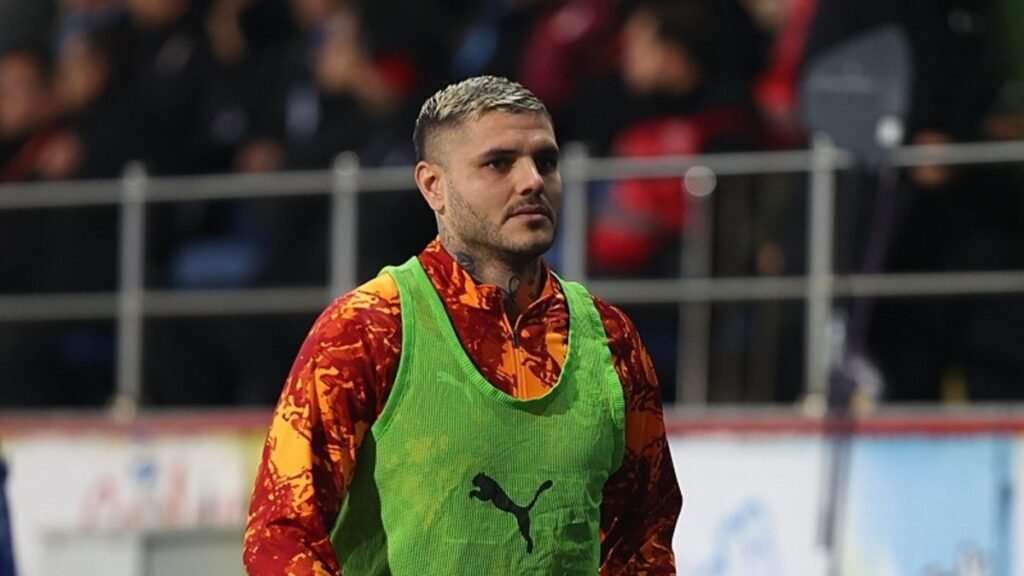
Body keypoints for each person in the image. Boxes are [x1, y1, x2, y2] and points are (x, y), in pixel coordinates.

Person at [243, 75, 681, 574]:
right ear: (434, 186)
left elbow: (644, 540)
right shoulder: (367, 329)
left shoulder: (612, 337)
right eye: (499, 163)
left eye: (545, 161)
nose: (532, 180)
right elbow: (282, 532)